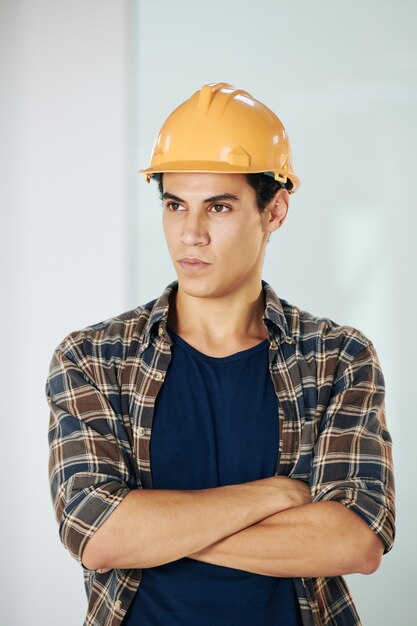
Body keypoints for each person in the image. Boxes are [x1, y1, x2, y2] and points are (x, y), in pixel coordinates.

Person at [46, 82, 395, 626]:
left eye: (220, 206)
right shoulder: (95, 358)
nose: (191, 233)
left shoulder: (338, 357)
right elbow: (97, 532)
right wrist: (275, 496)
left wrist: (155, 530)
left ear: (274, 211)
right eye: (174, 204)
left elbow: (355, 541)